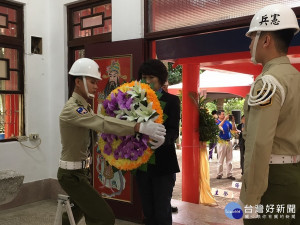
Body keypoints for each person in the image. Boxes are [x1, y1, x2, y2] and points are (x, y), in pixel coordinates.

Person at [57, 58, 166, 225]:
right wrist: (138, 127)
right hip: (71, 175)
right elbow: (102, 123)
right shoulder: (73, 109)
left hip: (81, 172)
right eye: (92, 82)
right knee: (104, 217)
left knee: (73, 213)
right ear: (78, 82)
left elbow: (99, 126)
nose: (96, 86)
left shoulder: (84, 106)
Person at [239, 4, 300, 224]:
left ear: (266, 40)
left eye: (252, 37)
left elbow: (258, 146)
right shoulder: (296, 78)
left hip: (272, 182)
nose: (249, 44)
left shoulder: (268, 83)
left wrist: (251, 200)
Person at [136, 59, 181, 225]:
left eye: (151, 78)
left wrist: (164, 139)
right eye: (144, 77)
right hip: (143, 164)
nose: (146, 82)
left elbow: (174, 131)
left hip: (164, 165)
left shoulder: (172, 101)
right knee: (147, 211)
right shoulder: (135, 101)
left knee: (162, 211)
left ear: (161, 79)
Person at [216, 110, 236, 180]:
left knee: (229, 159)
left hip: (229, 141)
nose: (224, 116)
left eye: (224, 114)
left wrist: (233, 121)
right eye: (222, 114)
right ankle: (219, 174)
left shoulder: (227, 122)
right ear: (218, 115)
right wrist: (224, 119)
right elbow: (219, 127)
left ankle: (229, 174)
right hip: (221, 142)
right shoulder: (217, 122)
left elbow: (233, 129)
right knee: (220, 159)